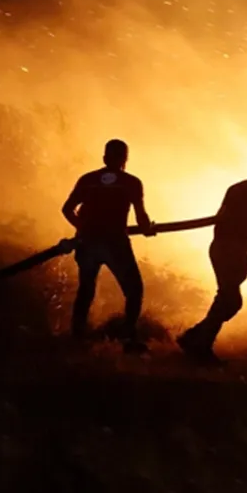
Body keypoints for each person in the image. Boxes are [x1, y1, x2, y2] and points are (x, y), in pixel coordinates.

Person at [177, 157, 247, 364]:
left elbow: (219, 217)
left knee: (229, 299)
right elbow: (221, 217)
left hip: (227, 249)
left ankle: (194, 338)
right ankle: (200, 345)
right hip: (229, 250)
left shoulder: (241, 189)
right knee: (230, 299)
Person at [62, 139, 156, 353]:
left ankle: (77, 335)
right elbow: (141, 218)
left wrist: (84, 230)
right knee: (134, 290)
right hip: (116, 244)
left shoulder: (88, 180)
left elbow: (67, 209)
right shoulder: (131, 182)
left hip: (87, 244)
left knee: (86, 288)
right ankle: (128, 337)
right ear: (125, 160)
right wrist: (147, 228)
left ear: (104, 158)